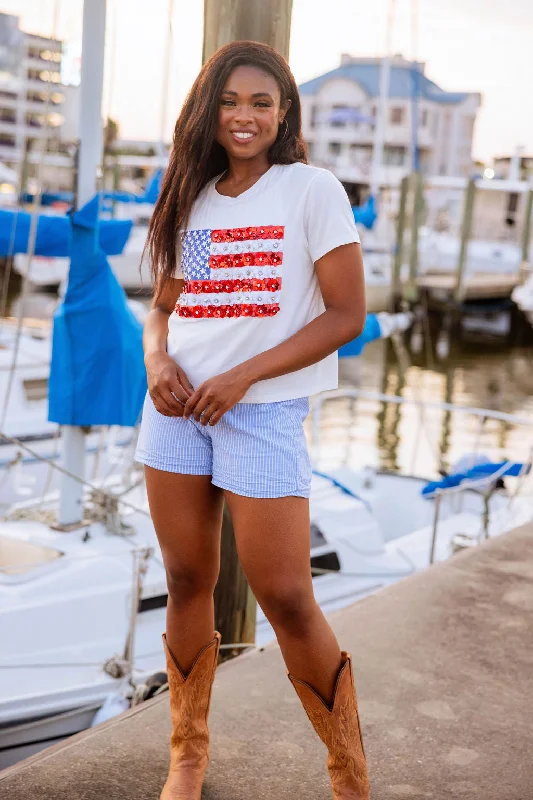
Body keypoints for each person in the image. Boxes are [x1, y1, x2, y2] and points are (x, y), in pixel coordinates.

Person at [136, 39, 369, 800]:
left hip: (260, 413)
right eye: (230, 101)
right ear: (208, 111)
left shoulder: (310, 190)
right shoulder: (192, 194)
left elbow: (345, 316)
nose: (244, 116)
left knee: (287, 598)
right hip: (174, 412)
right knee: (183, 578)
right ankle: (188, 756)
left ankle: (348, 777)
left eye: (261, 103)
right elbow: (166, 311)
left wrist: (243, 375)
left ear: (283, 114)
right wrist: (157, 362)